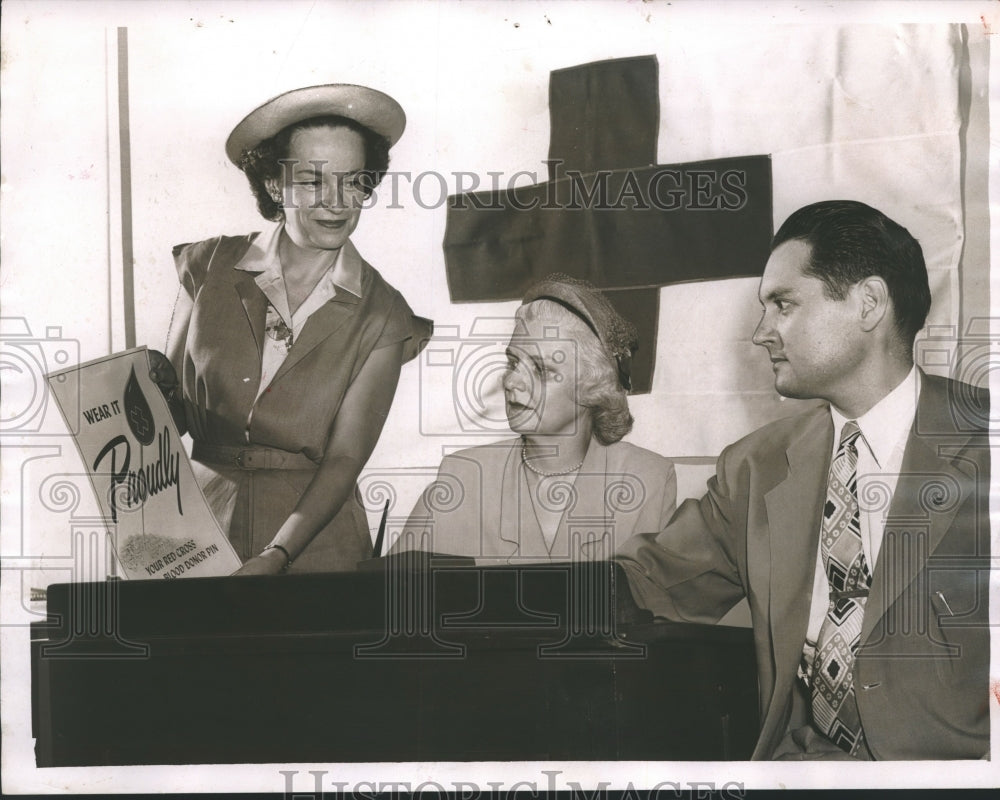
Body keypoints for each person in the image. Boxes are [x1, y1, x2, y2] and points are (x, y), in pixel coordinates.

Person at [616, 200, 990, 760]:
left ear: (869, 303)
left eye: (782, 304)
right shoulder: (755, 466)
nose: (761, 333)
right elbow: (649, 585)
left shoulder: (986, 440)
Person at [150, 83, 431, 575]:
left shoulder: (385, 314)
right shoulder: (209, 264)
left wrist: (277, 556)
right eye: (313, 180)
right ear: (276, 187)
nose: (336, 201)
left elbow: (345, 458)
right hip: (198, 532)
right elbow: (167, 413)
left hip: (314, 545)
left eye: (353, 180)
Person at [391, 274, 676, 563]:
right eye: (513, 362)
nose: (512, 381)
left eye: (540, 370)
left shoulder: (647, 478)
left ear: (593, 387)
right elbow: (388, 595)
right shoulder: (463, 476)